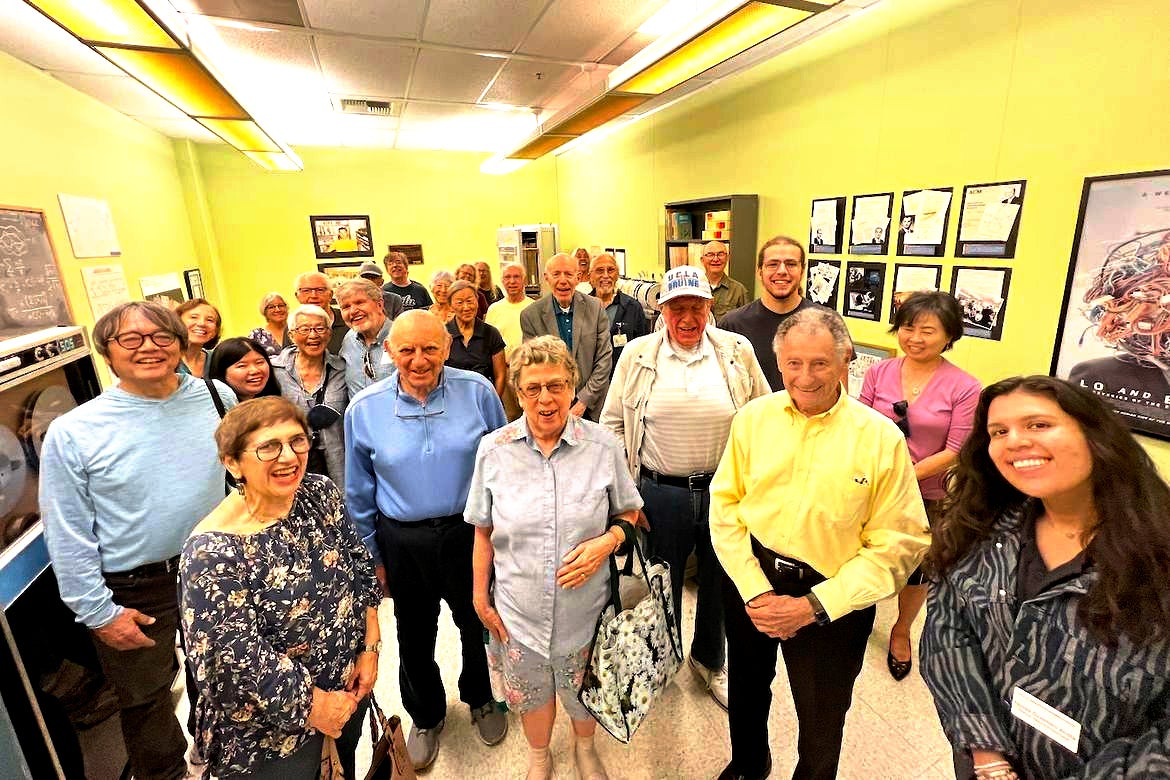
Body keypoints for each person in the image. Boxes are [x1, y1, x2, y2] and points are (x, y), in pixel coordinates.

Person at [709, 307, 930, 780]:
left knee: (822, 713)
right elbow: (725, 507)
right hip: (752, 577)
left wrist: (814, 606)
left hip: (834, 595)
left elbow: (901, 543)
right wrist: (756, 589)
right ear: (778, 362)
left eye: (820, 363)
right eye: (793, 363)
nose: (805, 377)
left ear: (846, 359)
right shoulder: (752, 419)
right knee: (747, 688)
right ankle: (749, 763)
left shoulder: (880, 439)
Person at [921, 376, 1170, 780]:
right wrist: (987, 756)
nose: (1014, 441)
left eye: (1038, 425)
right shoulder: (982, 529)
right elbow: (948, 632)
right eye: (998, 432)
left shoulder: (1157, 556)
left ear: (1094, 434)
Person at [39, 300, 236, 780]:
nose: (149, 347)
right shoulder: (74, 431)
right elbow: (67, 530)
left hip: (216, 570)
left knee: (224, 681)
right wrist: (98, 613)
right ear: (107, 351)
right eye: (131, 339)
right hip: (134, 588)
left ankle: (219, 759)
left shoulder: (217, 399)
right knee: (145, 701)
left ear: (181, 343)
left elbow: (238, 480)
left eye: (162, 336)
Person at [467, 336, 642, 780]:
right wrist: (479, 598)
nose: (546, 398)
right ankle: (539, 754)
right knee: (530, 692)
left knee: (586, 688)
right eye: (533, 388)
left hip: (586, 611)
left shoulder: (602, 445)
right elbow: (482, 530)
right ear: (518, 392)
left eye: (557, 385)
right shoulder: (494, 449)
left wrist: (606, 542)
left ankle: (585, 747)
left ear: (573, 387)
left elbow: (630, 512)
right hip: (517, 610)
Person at [181, 397, 381, 779]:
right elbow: (231, 666)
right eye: (268, 447)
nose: (289, 457)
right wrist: (315, 706)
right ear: (232, 462)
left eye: (297, 441)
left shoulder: (318, 494)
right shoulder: (212, 553)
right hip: (274, 740)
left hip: (348, 691)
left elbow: (359, 567)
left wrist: (370, 649)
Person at [344, 310, 508, 770]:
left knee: (478, 620)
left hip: (468, 533)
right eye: (408, 350)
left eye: (430, 348)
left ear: (447, 348)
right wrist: (372, 557)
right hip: (402, 539)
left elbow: (504, 465)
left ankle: (482, 696)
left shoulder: (477, 393)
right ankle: (427, 714)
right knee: (414, 634)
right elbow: (359, 492)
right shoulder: (365, 408)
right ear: (389, 351)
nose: (419, 360)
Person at [601, 265, 769, 712]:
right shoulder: (638, 354)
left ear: (710, 307)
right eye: (678, 308)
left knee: (720, 580)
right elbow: (613, 424)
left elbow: (762, 417)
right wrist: (629, 495)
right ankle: (661, 660)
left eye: (697, 306)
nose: (688, 317)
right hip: (659, 491)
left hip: (724, 491)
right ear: (662, 310)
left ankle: (709, 660)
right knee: (661, 581)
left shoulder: (736, 351)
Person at [859, 291, 981, 680]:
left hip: (929, 494)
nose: (915, 337)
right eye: (908, 327)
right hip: (870, 487)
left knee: (919, 567)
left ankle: (901, 630)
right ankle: (854, 615)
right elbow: (859, 424)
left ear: (949, 336)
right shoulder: (879, 372)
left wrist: (903, 477)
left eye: (928, 330)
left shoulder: (964, 386)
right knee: (862, 552)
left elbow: (957, 449)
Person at [721, 235, 823, 391]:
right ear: (759, 271)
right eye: (773, 264)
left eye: (791, 264)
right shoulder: (732, 325)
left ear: (802, 270)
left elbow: (839, 391)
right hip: (751, 415)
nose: (782, 271)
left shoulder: (827, 323)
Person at [520, 252, 612, 420]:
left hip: (594, 407)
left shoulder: (595, 308)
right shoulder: (530, 316)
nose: (563, 280)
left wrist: (583, 401)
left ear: (578, 277)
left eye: (569, 274)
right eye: (556, 274)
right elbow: (533, 366)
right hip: (551, 407)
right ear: (546, 278)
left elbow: (604, 359)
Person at [272, 305, 349, 487]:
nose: (313, 335)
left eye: (320, 328)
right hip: (291, 464)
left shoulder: (343, 369)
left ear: (329, 334)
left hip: (338, 465)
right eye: (304, 329)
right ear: (291, 335)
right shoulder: (274, 370)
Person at [485, 262, 535, 420]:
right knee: (510, 416)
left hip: (529, 370)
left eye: (516, 277)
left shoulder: (534, 307)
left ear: (524, 281)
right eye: (507, 277)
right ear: (502, 281)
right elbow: (489, 343)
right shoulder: (494, 309)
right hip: (503, 372)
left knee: (531, 413)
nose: (512, 281)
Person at [589, 251, 648, 376]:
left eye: (610, 270)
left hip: (624, 379)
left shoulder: (633, 307)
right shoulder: (582, 307)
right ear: (591, 276)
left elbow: (644, 350)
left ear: (617, 275)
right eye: (600, 270)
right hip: (590, 383)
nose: (606, 275)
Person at [446, 280, 506, 397]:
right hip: (452, 398)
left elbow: (500, 375)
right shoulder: (443, 334)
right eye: (459, 302)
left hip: (484, 397)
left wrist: (493, 402)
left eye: (470, 301)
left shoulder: (491, 333)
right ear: (451, 306)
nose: (466, 307)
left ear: (477, 301)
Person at [336, 279, 394, 396]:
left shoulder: (403, 337)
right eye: (346, 307)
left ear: (379, 304)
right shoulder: (349, 340)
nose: (353, 311)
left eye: (359, 302)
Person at [208, 337, 283, 401]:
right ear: (222, 372)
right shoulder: (215, 411)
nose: (254, 370)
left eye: (259, 362)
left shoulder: (279, 404)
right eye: (242, 366)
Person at [294, 272, 347, 354]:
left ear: (331, 295)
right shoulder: (293, 326)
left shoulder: (347, 319)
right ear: (297, 296)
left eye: (320, 290)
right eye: (306, 291)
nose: (314, 295)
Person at [700, 241, 748, 320]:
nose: (715, 259)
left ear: (727, 258)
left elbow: (745, 321)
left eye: (720, 254)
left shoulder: (739, 290)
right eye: (710, 254)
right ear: (702, 260)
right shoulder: (695, 287)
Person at [175, 297, 221, 376]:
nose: (202, 323)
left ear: (215, 331)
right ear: (177, 322)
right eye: (194, 317)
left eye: (209, 320)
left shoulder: (218, 360)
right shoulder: (163, 360)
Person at [250, 292, 291, 356]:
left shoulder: (297, 329)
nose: (277, 310)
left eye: (281, 305)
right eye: (271, 307)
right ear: (264, 311)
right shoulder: (257, 335)